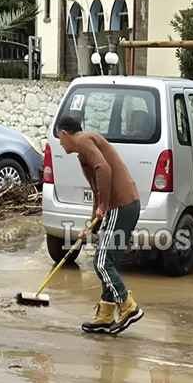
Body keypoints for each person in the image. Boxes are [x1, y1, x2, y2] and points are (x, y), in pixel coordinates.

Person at [56, 114, 144, 335]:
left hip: (121, 206)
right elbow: (97, 189)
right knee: (107, 259)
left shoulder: (84, 140)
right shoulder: (83, 151)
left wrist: (104, 207)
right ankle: (105, 314)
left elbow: (104, 169)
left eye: (60, 138)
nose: (60, 143)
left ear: (66, 134)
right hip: (123, 206)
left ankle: (127, 305)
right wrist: (93, 226)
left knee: (102, 263)